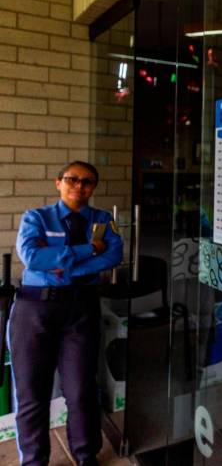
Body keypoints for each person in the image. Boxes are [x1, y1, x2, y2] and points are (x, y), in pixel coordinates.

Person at [11, 161, 123, 466]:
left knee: (81, 388)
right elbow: (33, 258)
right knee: (32, 391)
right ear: (58, 182)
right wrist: (89, 250)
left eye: (87, 182)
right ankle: (34, 460)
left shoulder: (102, 220)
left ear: (93, 188)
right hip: (35, 309)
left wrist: (63, 262)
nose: (79, 186)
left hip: (81, 308)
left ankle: (86, 455)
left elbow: (114, 254)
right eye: (72, 179)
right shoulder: (36, 217)